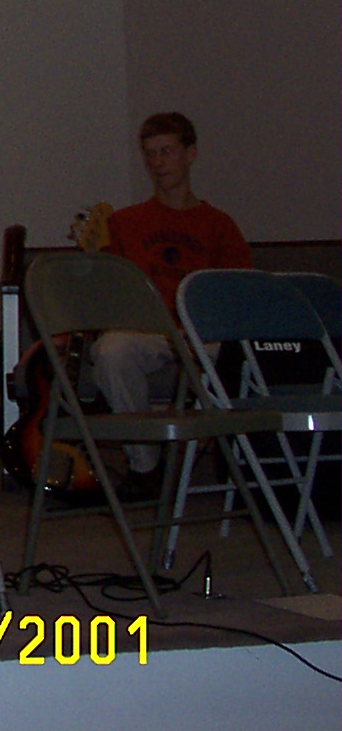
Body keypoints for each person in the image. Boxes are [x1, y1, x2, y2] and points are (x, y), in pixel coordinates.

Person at [97, 111, 251, 498]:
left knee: (240, 354)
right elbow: (108, 289)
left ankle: (232, 459)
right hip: (147, 332)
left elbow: (239, 295)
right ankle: (145, 466)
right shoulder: (125, 222)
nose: (157, 162)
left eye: (166, 151)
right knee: (112, 350)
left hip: (203, 335)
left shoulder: (219, 225)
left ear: (190, 154)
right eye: (150, 154)